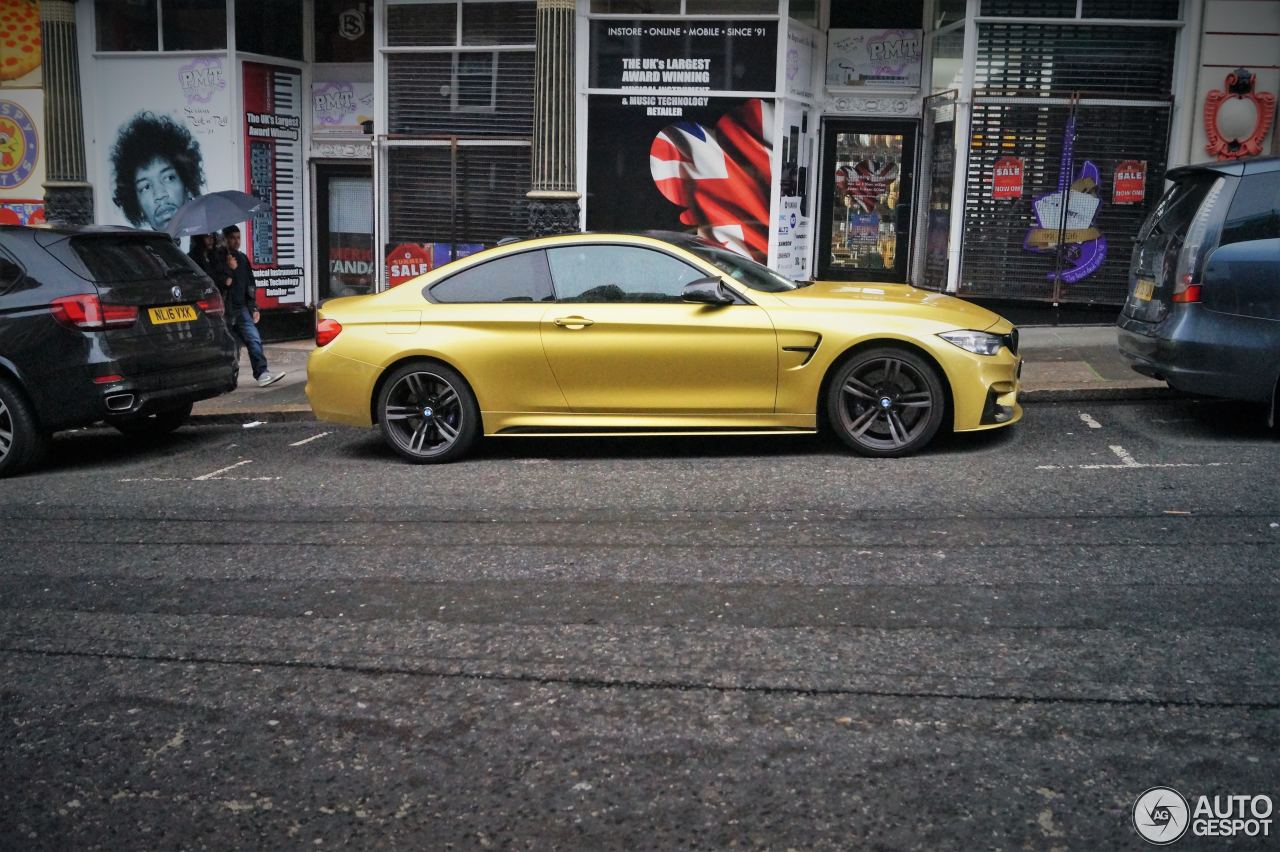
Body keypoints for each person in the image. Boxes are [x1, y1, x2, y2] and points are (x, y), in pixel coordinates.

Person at [109, 111, 203, 232]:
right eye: (146, 187)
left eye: (169, 178)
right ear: (137, 205)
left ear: (187, 186)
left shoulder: (210, 244)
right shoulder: (135, 250)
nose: (159, 195)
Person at [221, 225, 285, 388]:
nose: (236, 241)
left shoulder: (242, 259)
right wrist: (229, 269)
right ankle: (228, 379)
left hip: (241, 308)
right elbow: (222, 284)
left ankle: (262, 373)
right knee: (230, 347)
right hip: (225, 310)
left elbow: (250, 284)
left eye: (238, 237)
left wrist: (253, 307)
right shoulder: (219, 259)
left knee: (253, 339)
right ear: (225, 239)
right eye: (232, 238)